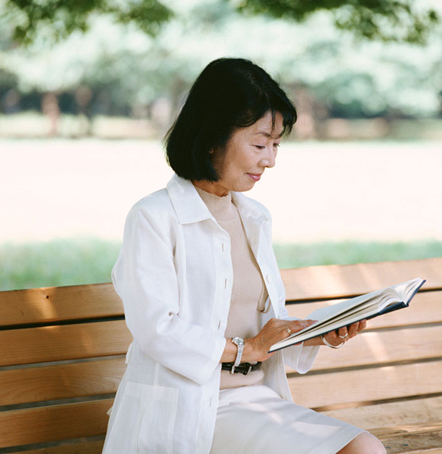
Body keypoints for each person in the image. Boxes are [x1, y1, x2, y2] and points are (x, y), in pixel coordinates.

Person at [102, 58, 386, 454]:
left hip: (256, 402)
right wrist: (244, 351)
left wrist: (311, 334)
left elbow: (260, 329)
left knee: (364, 448)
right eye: (258, 144)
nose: (269, 160)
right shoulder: (153, 217)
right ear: (213, 136)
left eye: (275, 145)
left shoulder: (254, 218)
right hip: (191, 411)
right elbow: (156, 329)